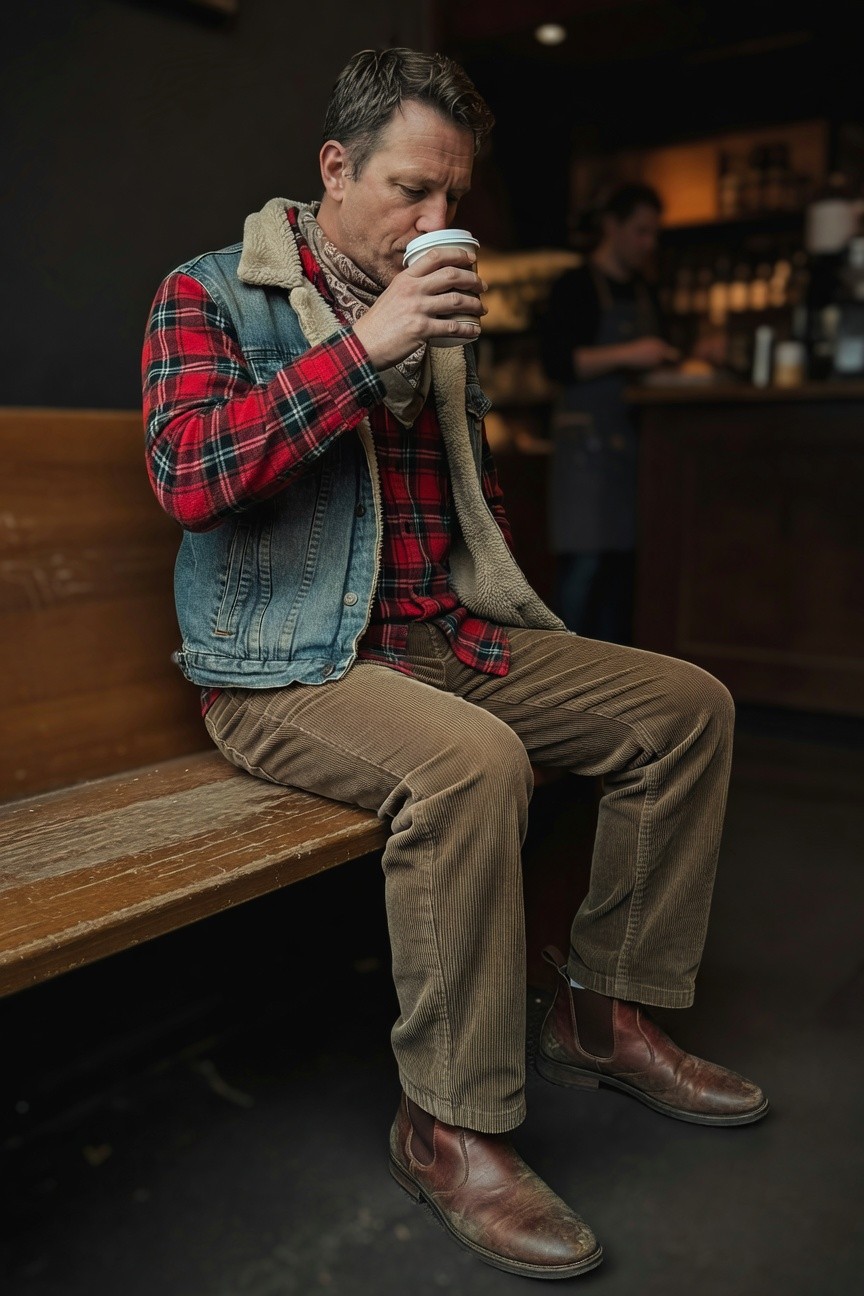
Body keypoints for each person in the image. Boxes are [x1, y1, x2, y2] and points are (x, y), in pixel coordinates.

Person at [142, 47, 768, 1282]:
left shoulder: (431, 298)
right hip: (285, 666)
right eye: (412, 193)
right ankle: (447, 1125)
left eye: (454, 201)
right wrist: (361, 351)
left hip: (446, 640)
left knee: (686, 707)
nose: (440, 224)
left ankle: (603, 1011)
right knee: (477, 767)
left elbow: (446, 511)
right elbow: (188, 477)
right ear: (335, 167)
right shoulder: (211, 293)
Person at [540, 183, 679, 644]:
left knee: (623, 568)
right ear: (612, 227)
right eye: (641, 232)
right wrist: (631, 353)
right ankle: (568, 677)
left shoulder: (644, 291)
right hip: (586, 448)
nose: (648, 244)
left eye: (653, 234)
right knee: (584, 565)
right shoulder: (574, 285)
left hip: (631, 449)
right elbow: (557, 364)